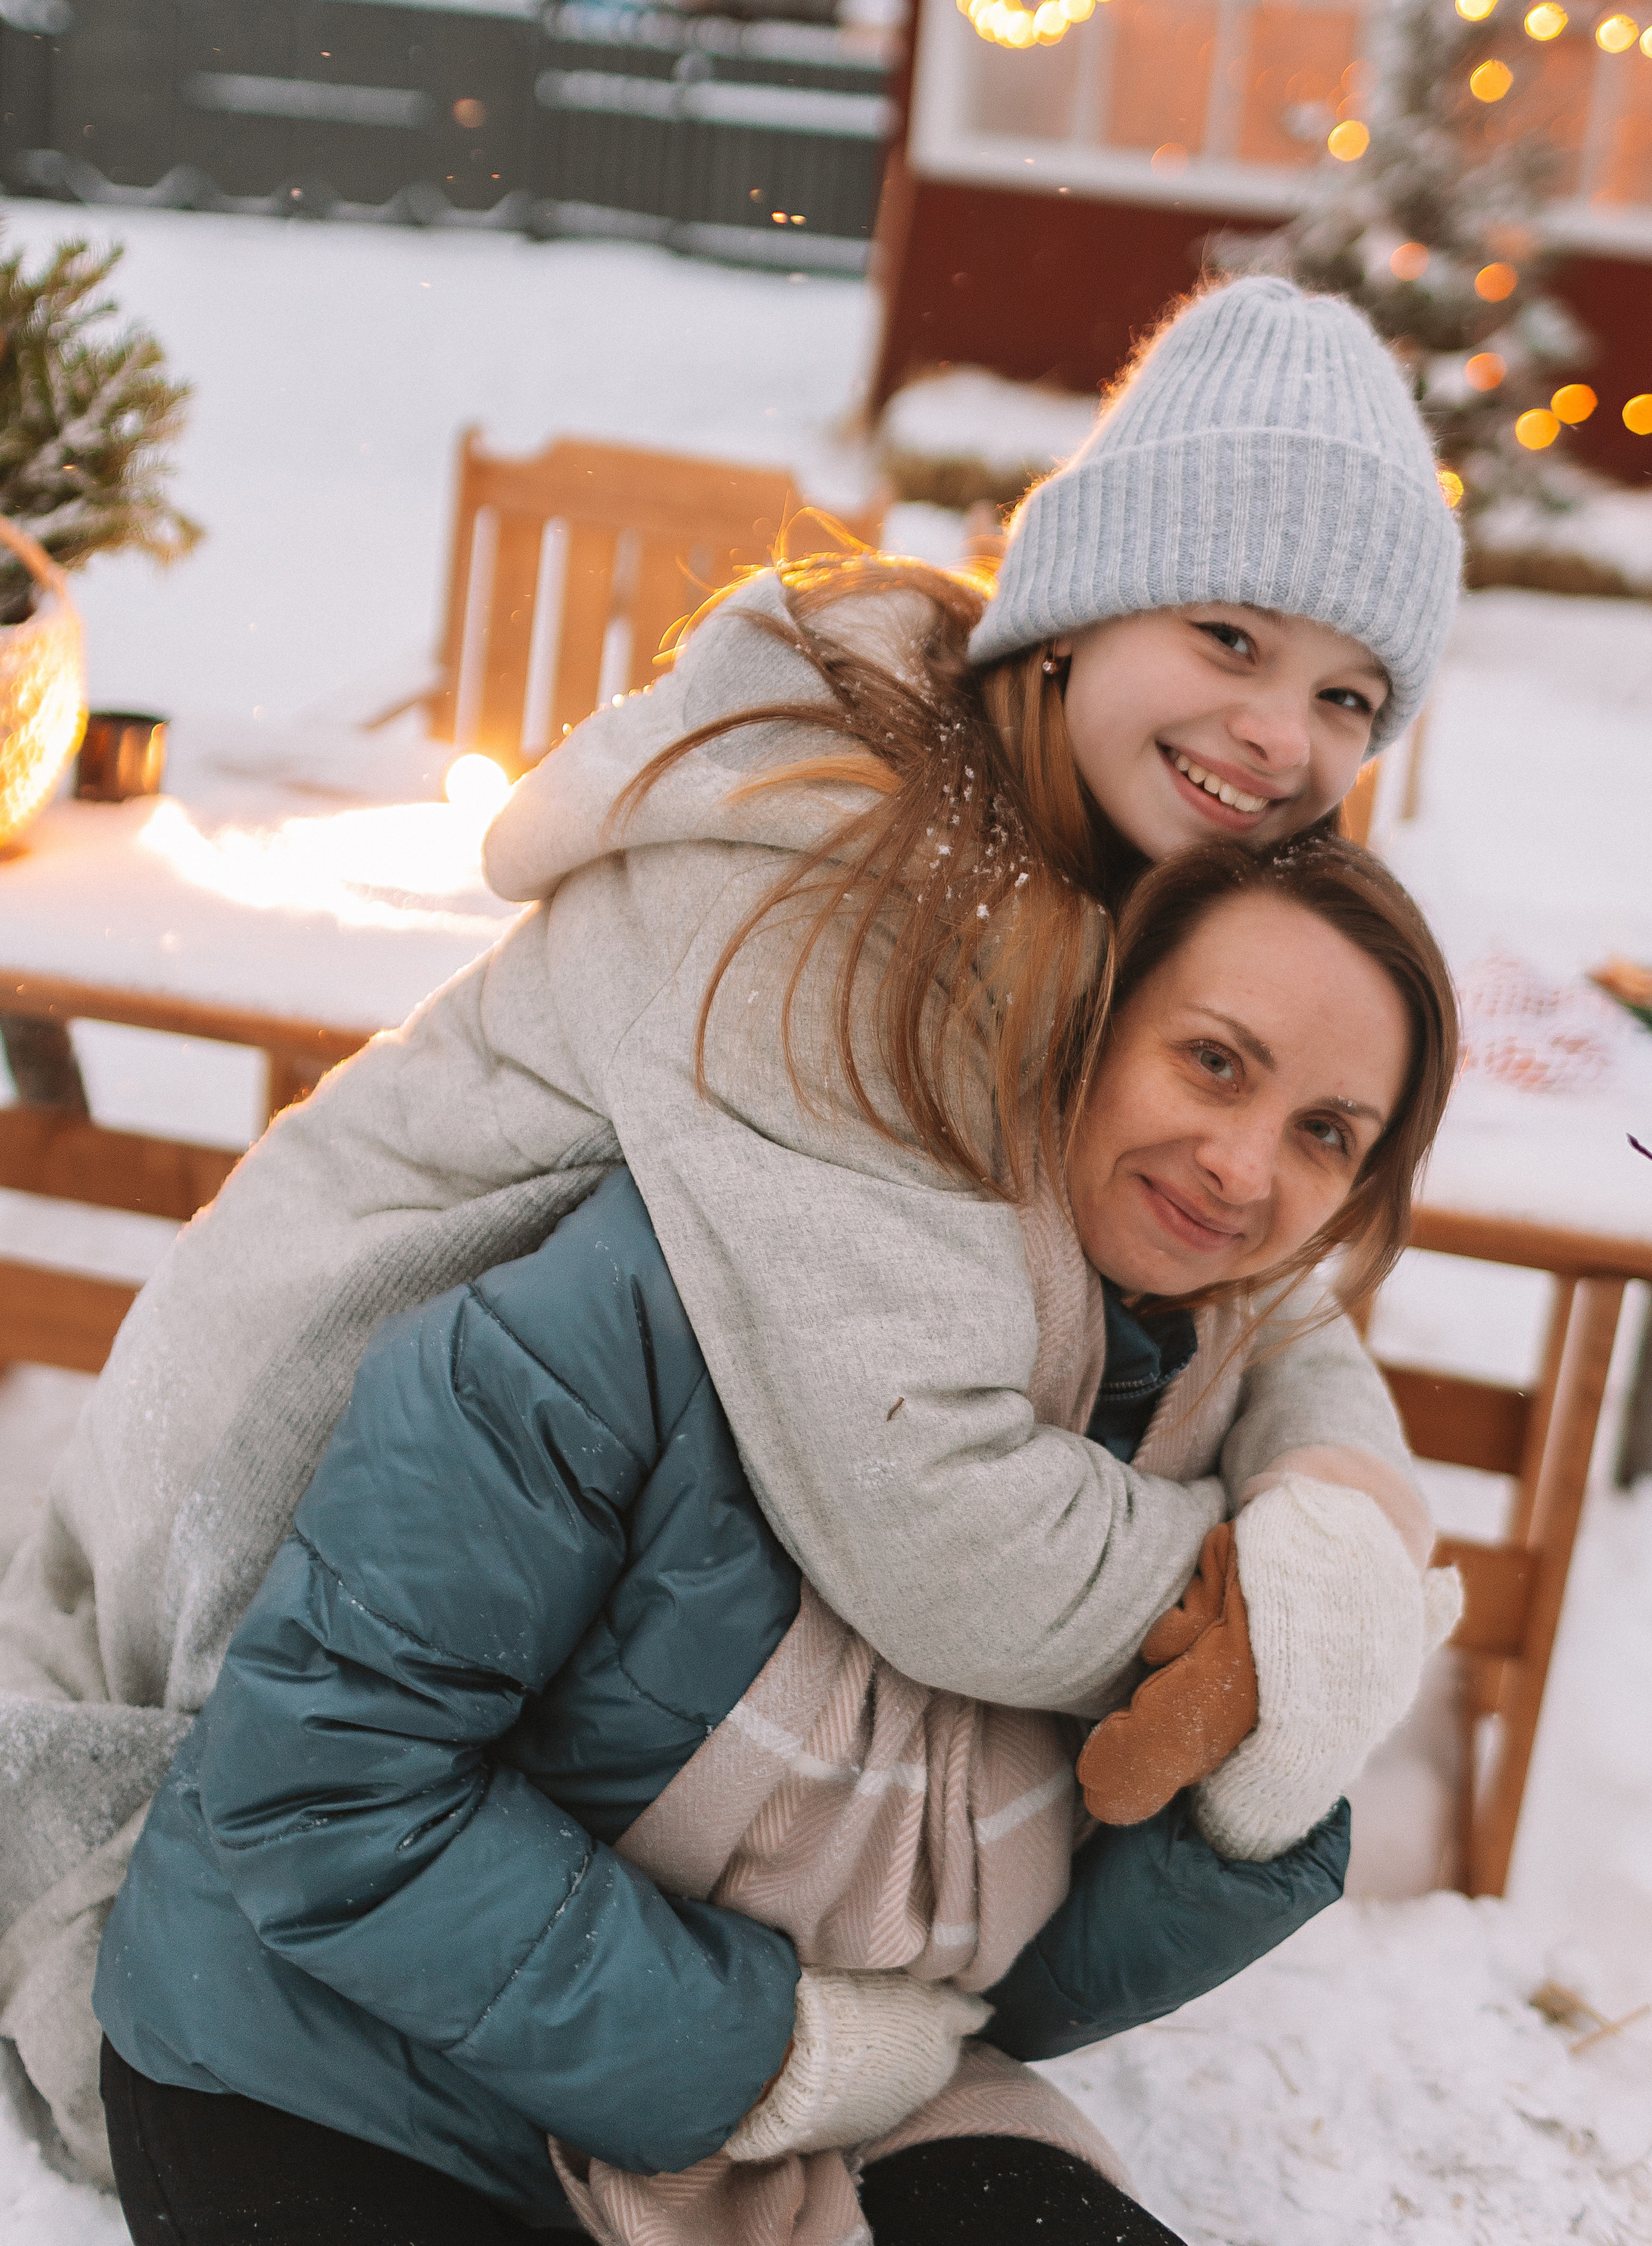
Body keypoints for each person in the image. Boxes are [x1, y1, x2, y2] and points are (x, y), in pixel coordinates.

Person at [0, 273, 1464, 2181]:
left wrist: (1340, 1492)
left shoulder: (1073, 858)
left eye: (1348, 695)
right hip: (286, 1552)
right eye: (1231, 635)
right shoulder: (844, 883)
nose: (1281, 734)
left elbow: (1256, 1270)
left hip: (549, 1610)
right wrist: (1245, 1620)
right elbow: (932, 1518)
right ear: (1081, 607)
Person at [94, 836, 1463, 2246]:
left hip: (838, 2100)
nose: (1241, 1165)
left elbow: (1009, 1986)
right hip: (340, 2064)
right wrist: (771, 2054)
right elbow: (318, 1791)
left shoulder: (1197, 1436)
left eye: (1324, 1134)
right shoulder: (662, 1292)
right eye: (1214, 1062)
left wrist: (1251, 1799)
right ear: (1086, 1024)